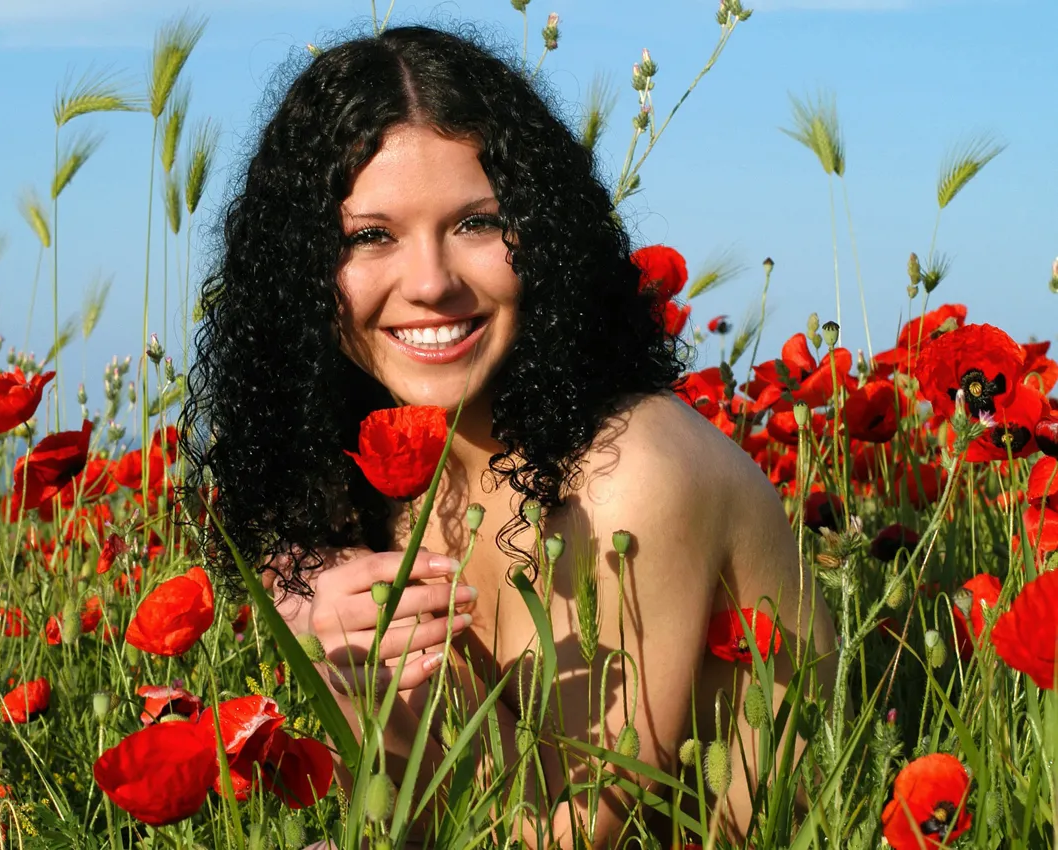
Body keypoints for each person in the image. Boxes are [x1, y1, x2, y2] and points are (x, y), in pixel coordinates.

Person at [179, 23, 836, 849]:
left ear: (545, 235)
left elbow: (580, 829)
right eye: (369, 236)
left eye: (477, 224)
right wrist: (326, 662)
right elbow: (407, 818)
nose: (430, 283)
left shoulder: (635, 473)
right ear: (300, 271)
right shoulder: (381, 484)